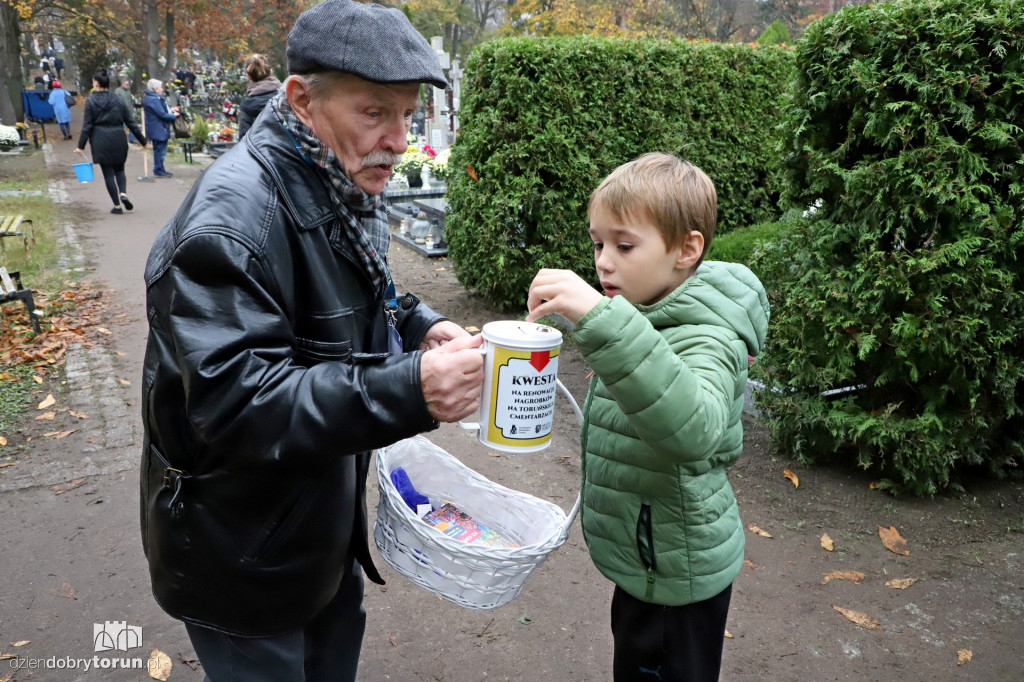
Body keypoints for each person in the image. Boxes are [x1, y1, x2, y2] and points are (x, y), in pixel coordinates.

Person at [140, 1, 484, 680]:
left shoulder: (331, 175)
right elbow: (238, 406)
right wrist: (410, 386)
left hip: (314, 537)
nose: (398, 139)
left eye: (407, 115)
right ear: (301, 99)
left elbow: (357, 285)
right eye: (375, 112)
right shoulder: (231, 221)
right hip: (243, 560)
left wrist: (416, 324)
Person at [526, 153, 769, 682]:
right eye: (598, 244)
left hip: (676, 577)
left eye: (624, 245)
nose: (604, 262)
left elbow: (695, 426)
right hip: (650, 563)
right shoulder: (645, 313)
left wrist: (600, 320)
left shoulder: (709, 334)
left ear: (687, 249)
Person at [74, 69, 147, 214]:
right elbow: (130, 122)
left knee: (108, 174)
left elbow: (87, 125)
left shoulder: (91, 101)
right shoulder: (118, 100)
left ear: (96, 83)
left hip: (100, 139)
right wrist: (143, 141)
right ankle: (123, 194)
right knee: (120, 169)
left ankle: (117, 206)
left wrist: (80, 146)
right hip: (118, 136)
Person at [237, 53, 281, 140]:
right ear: (270, 71)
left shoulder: (247, 107)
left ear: (248, 76)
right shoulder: (287, 96)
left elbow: (244, 140)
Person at [142, 78, 180, 178]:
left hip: (157, 127)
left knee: (159, 150)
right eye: (160, 87)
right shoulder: (154, 99)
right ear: (155, 89)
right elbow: (161, 114)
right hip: (158, 128)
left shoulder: (152, 98)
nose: (162, 89)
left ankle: (160, 168)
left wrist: (170, 110)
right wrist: (173, 115)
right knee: (160, 151)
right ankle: (158, 169)